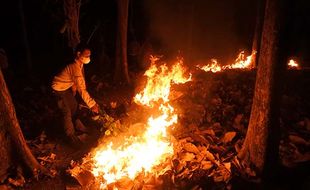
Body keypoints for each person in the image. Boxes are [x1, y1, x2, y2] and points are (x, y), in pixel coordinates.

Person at [51, 44, 99, 146]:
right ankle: (71, 137)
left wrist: (73, 89)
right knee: (66, 111)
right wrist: (92, 104)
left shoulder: (79, 64)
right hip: (58, 89)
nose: (88, 58)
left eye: (89, 55)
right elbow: (82, 89)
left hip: (66, 88)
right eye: (86, 56)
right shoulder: (74, 66)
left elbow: (73, 80)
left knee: (74, 106)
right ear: (78, 54)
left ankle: (79, 126)